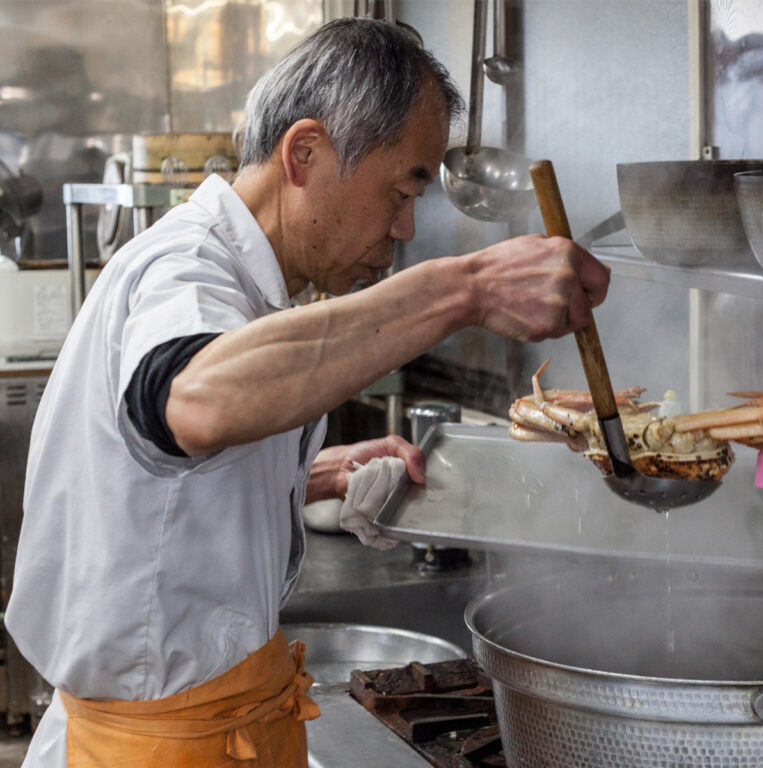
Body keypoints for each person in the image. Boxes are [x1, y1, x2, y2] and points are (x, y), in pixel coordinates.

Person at [5, 17, 609, 768]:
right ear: (304, 153)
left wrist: (308, 474)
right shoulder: (186, 268)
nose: (405, 227)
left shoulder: (249, 287)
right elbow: (195, 400)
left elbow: (154, 492)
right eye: (401, 189)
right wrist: (467, 288)